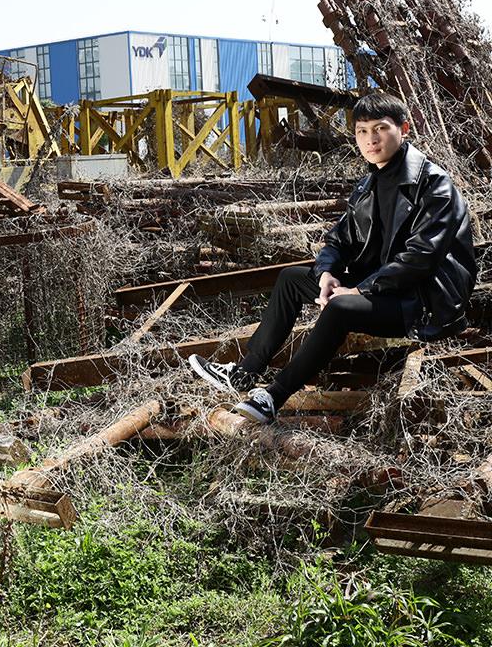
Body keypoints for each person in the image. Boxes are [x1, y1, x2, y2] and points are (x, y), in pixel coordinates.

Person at [189, 91, 477, 424]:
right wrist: (326, 273)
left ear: (404, 128)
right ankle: (245, 372)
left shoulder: (435, 185)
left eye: (381, 128)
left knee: (340, 307)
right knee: (293, 279)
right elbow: (339, 239)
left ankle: (272, 397)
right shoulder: (368, 184)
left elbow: (421, 257)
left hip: (423, 302)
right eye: (362, 131)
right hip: (383, 290)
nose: (371, 139)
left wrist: (358, 291)